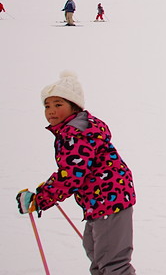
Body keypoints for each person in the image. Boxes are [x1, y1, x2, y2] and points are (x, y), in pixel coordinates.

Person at [16, 71, 137, 274]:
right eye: (47, 106)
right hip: (100, 202)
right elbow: (70, 171)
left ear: (74, 106)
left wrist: (41, 198)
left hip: (109, 201)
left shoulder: (77, 134)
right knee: (96, 254)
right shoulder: (74, 131)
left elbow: (72, 175)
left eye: (58, 105)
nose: (51, 111)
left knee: (112, 263)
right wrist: (43, 192)